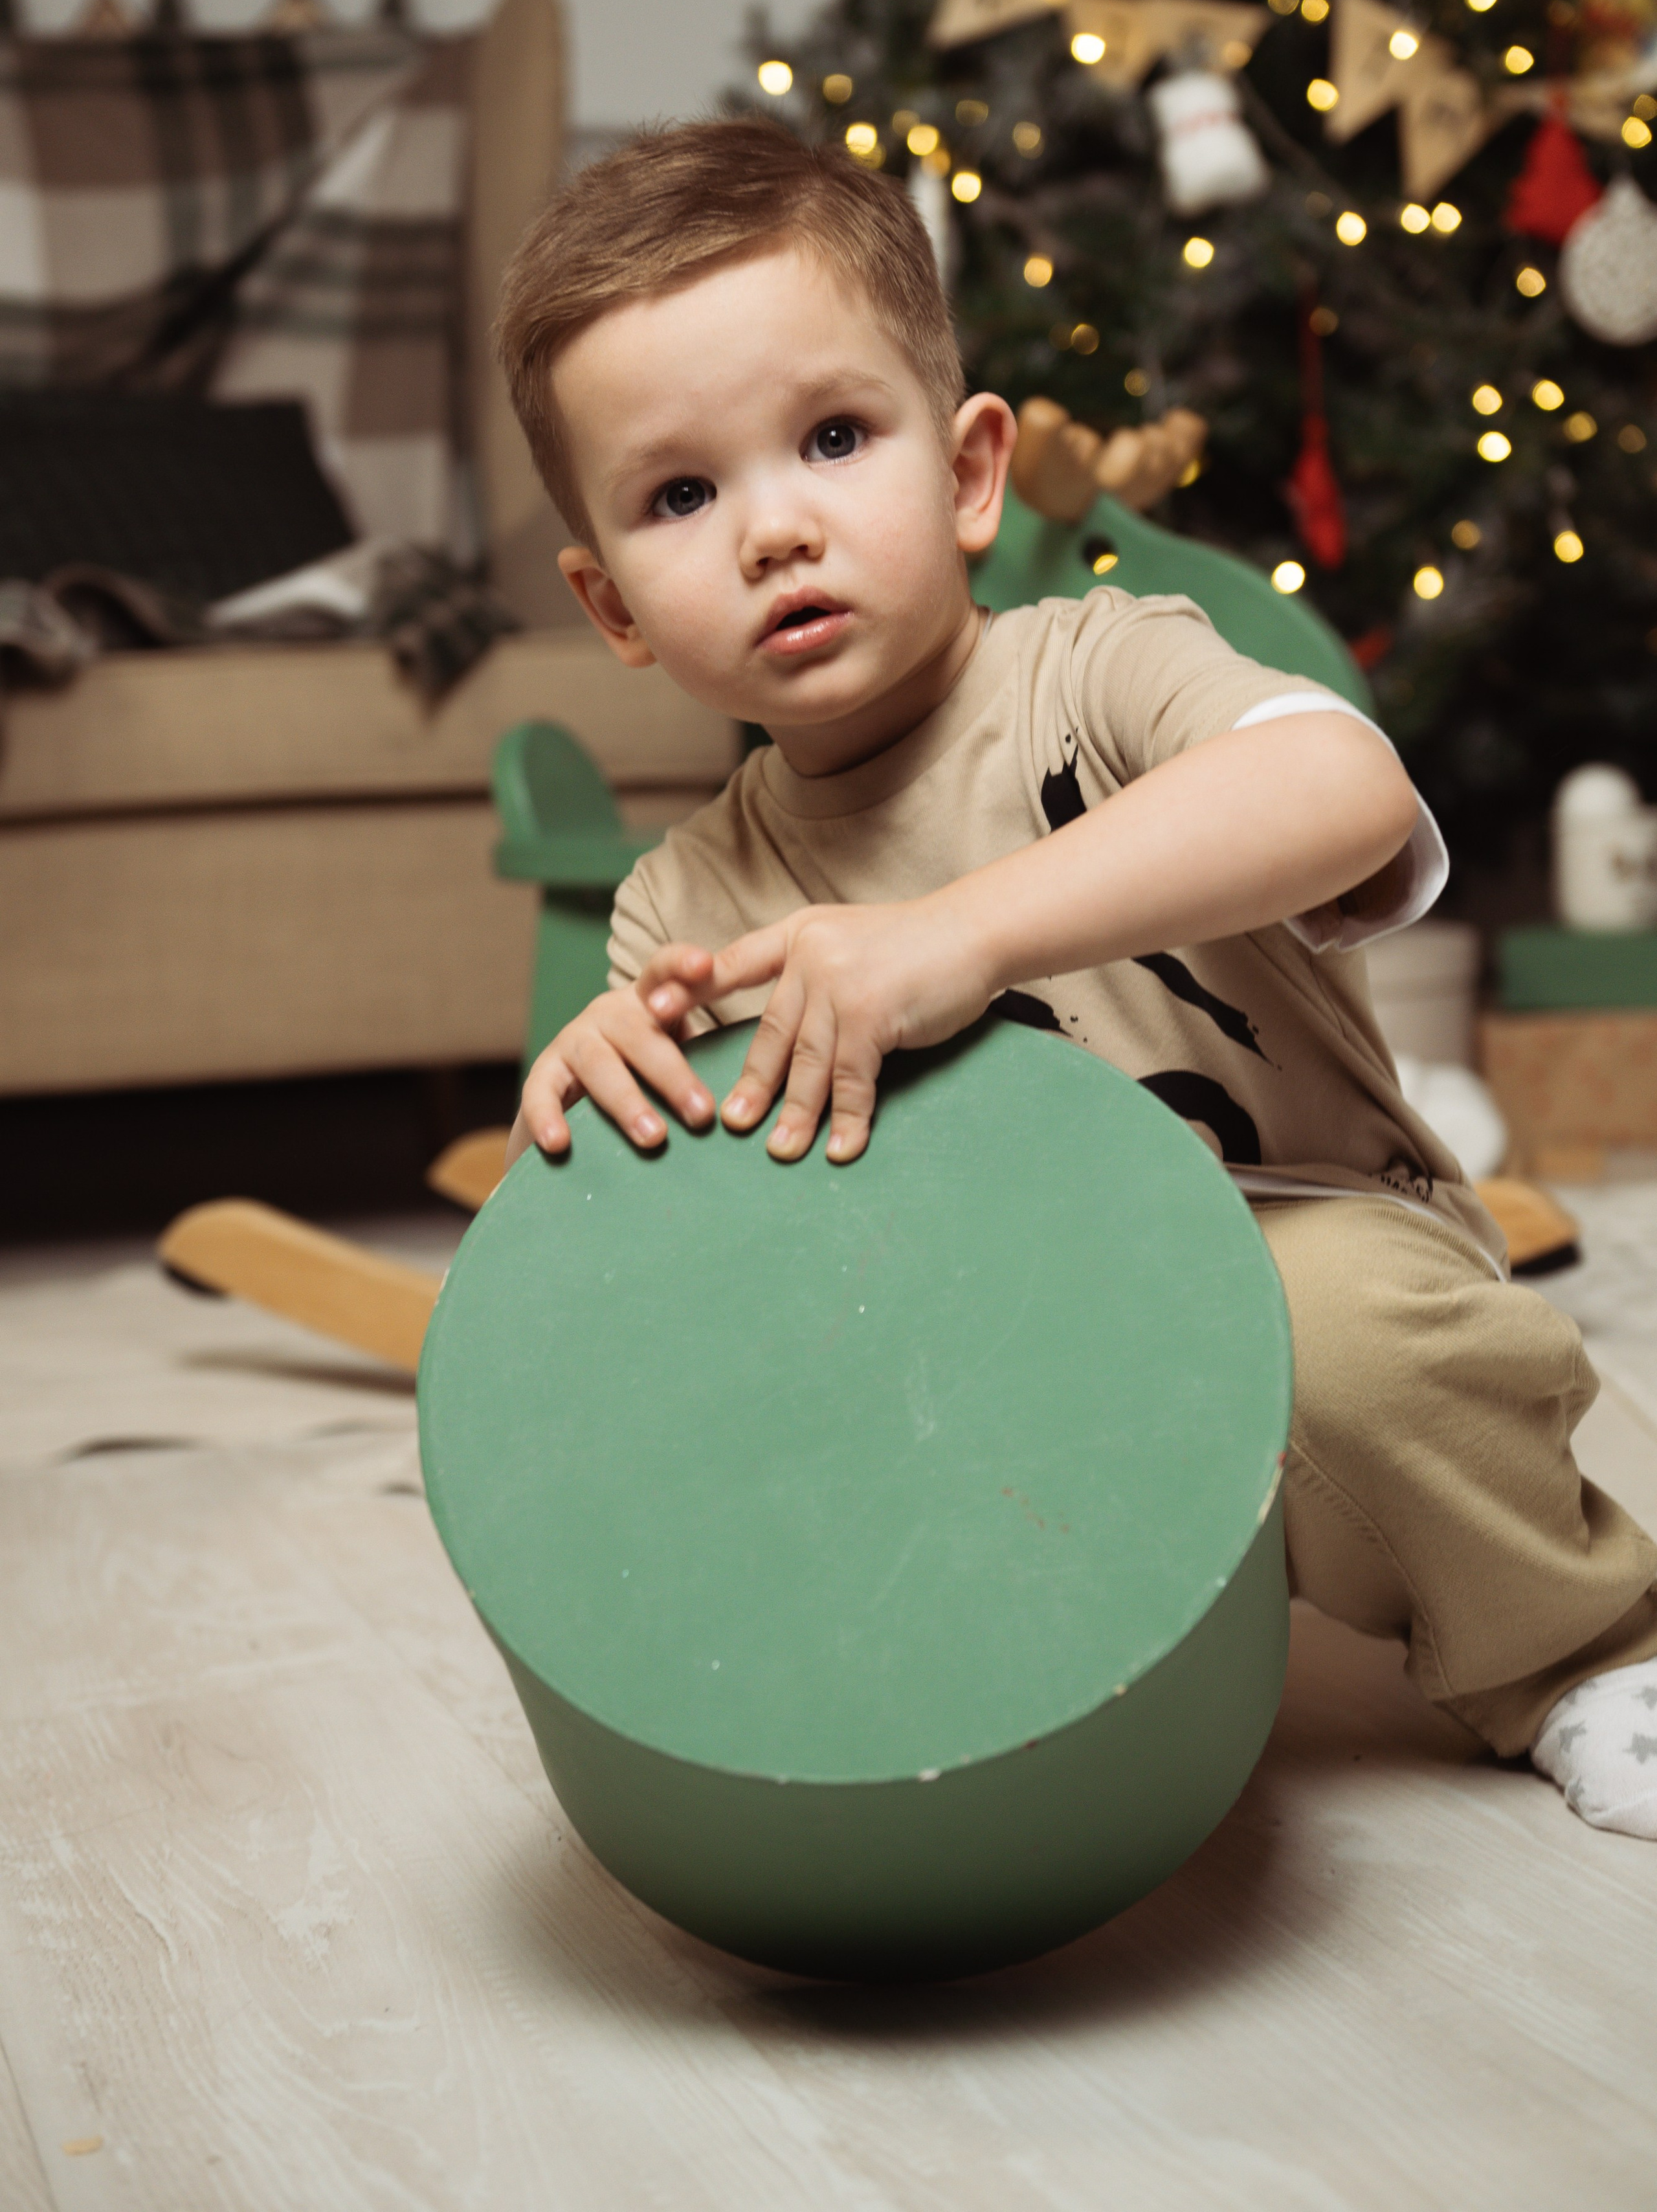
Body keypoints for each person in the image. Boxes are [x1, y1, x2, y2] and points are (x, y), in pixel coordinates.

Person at [493, 116, 1657, 1839]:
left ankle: (1580, 1650)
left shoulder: (1097, 669)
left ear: (972, 473)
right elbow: (729, 1279)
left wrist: (964, 935)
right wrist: (597, 1119)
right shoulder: (683, 903)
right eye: (682, 495)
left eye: (833, 438)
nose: (774, 529)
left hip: (1294, 1250)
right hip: (990, 1353)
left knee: (1343, 1341)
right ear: (613, 607)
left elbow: (1340, 788)